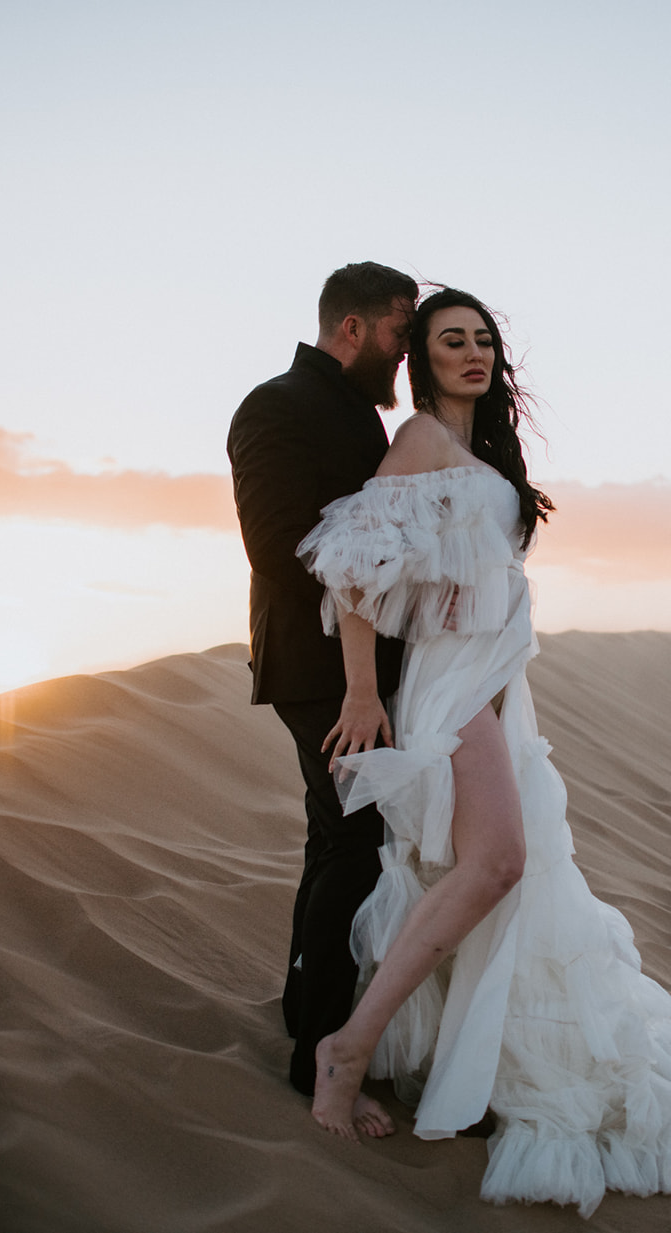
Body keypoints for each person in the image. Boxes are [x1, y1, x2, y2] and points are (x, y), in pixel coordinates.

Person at [297, 288, 671, 1216]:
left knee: (498, 873)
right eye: (452, 340)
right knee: (499, 861)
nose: (473, 352)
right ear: (423, 359)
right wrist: (364, 691)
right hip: (448, 690)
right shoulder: (420, 443)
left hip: (497, 690)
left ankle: (432, 1051)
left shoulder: (484, 455)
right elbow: (356, 561)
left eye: (484, 339)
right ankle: (347, 1048)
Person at [226, 260, 418, 1103]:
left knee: (332, 835)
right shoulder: (275, 405)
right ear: (353, 327)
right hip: (318, 672)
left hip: (357, 667)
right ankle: (319, 1053)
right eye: (399, 332)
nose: (404, 353)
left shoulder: (357, 418)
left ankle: (307, 1009)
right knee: (356, 841)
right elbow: (273, 545)